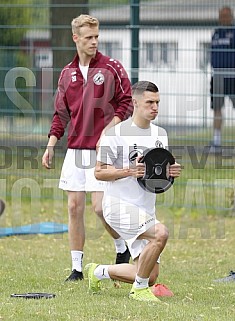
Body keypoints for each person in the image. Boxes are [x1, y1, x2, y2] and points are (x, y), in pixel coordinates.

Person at [42, 14, 133, 281]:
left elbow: (126, 101)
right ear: (76, 38)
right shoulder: (66, 73)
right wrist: (50, 146)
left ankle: (121, 247)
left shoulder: (111, 67)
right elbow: (60, 115)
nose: (94, 42)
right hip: (75, 149)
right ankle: (77, 269)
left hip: (103, 150)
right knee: (74, 207)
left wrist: (110, 126)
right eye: (89, 37)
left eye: (97, 37)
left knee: (100, 208)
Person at [85, 81, 181, 302]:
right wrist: (128, 170)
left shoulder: (161, 134)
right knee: (161, 234)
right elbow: (99, 172)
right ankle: (138, 291)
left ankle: (97, 271)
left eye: (157, 102)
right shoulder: (115, 134)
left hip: (145, 208)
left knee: (150, 276)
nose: (155, 107)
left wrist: (168, 171)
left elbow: (154, 173)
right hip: (118, 205)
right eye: (149, 102)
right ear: (135, 103)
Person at [210, 6, 235, 152]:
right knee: (217, 109)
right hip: (218, 75)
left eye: (226, 15)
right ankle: (217, 141)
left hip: (232, 75)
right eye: (221, 16)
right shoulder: (216, 33)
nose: (223, 18)